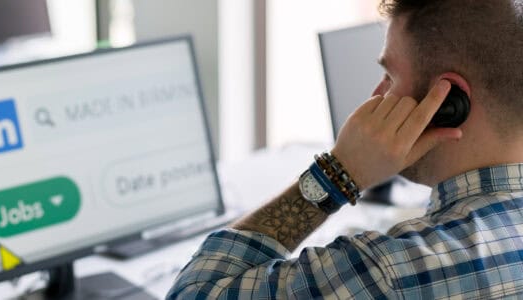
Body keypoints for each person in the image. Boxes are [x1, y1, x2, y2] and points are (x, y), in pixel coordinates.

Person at [167, 0, 523, 298]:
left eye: (391, 77)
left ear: (448, 101)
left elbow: (196, 291)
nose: (375, 96)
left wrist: (339, 172)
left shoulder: (390, 271)